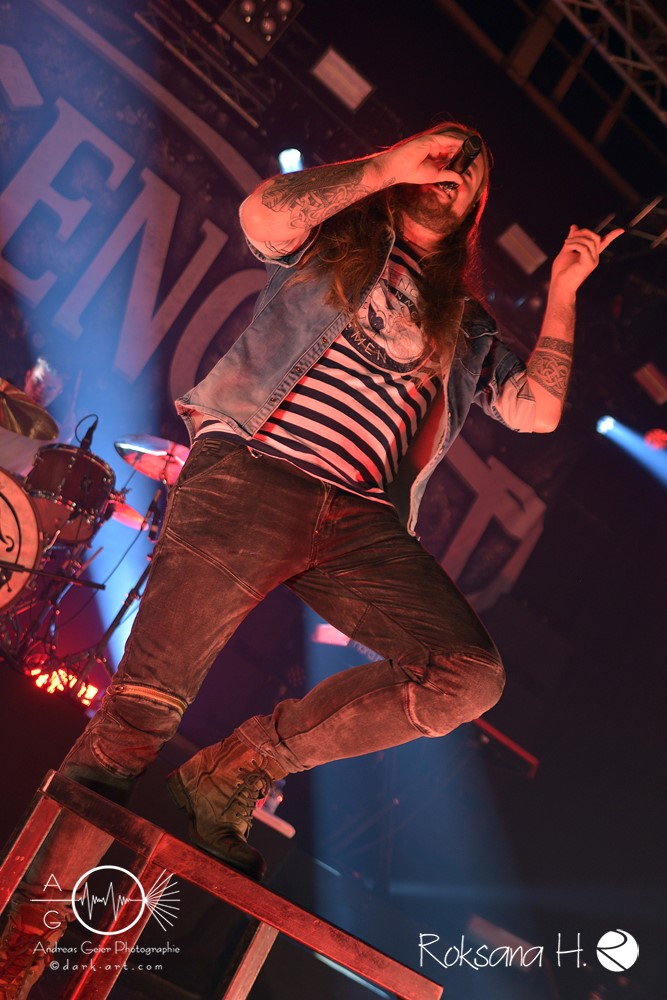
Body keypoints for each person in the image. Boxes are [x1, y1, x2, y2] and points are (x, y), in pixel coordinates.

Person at [0, 122, 622, 996]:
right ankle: (18, 953)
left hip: (359, 522)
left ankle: (239, 768)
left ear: (477, 207)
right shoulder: (334, 239)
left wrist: (562, 290)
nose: (449, 172)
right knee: (134, 722)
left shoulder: (468, 325)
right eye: (440, 153)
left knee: (466, 675)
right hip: (251, 472)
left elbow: (536, 410)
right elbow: (262, 215)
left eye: (468, 170)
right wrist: (383, 168)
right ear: (410, 160)